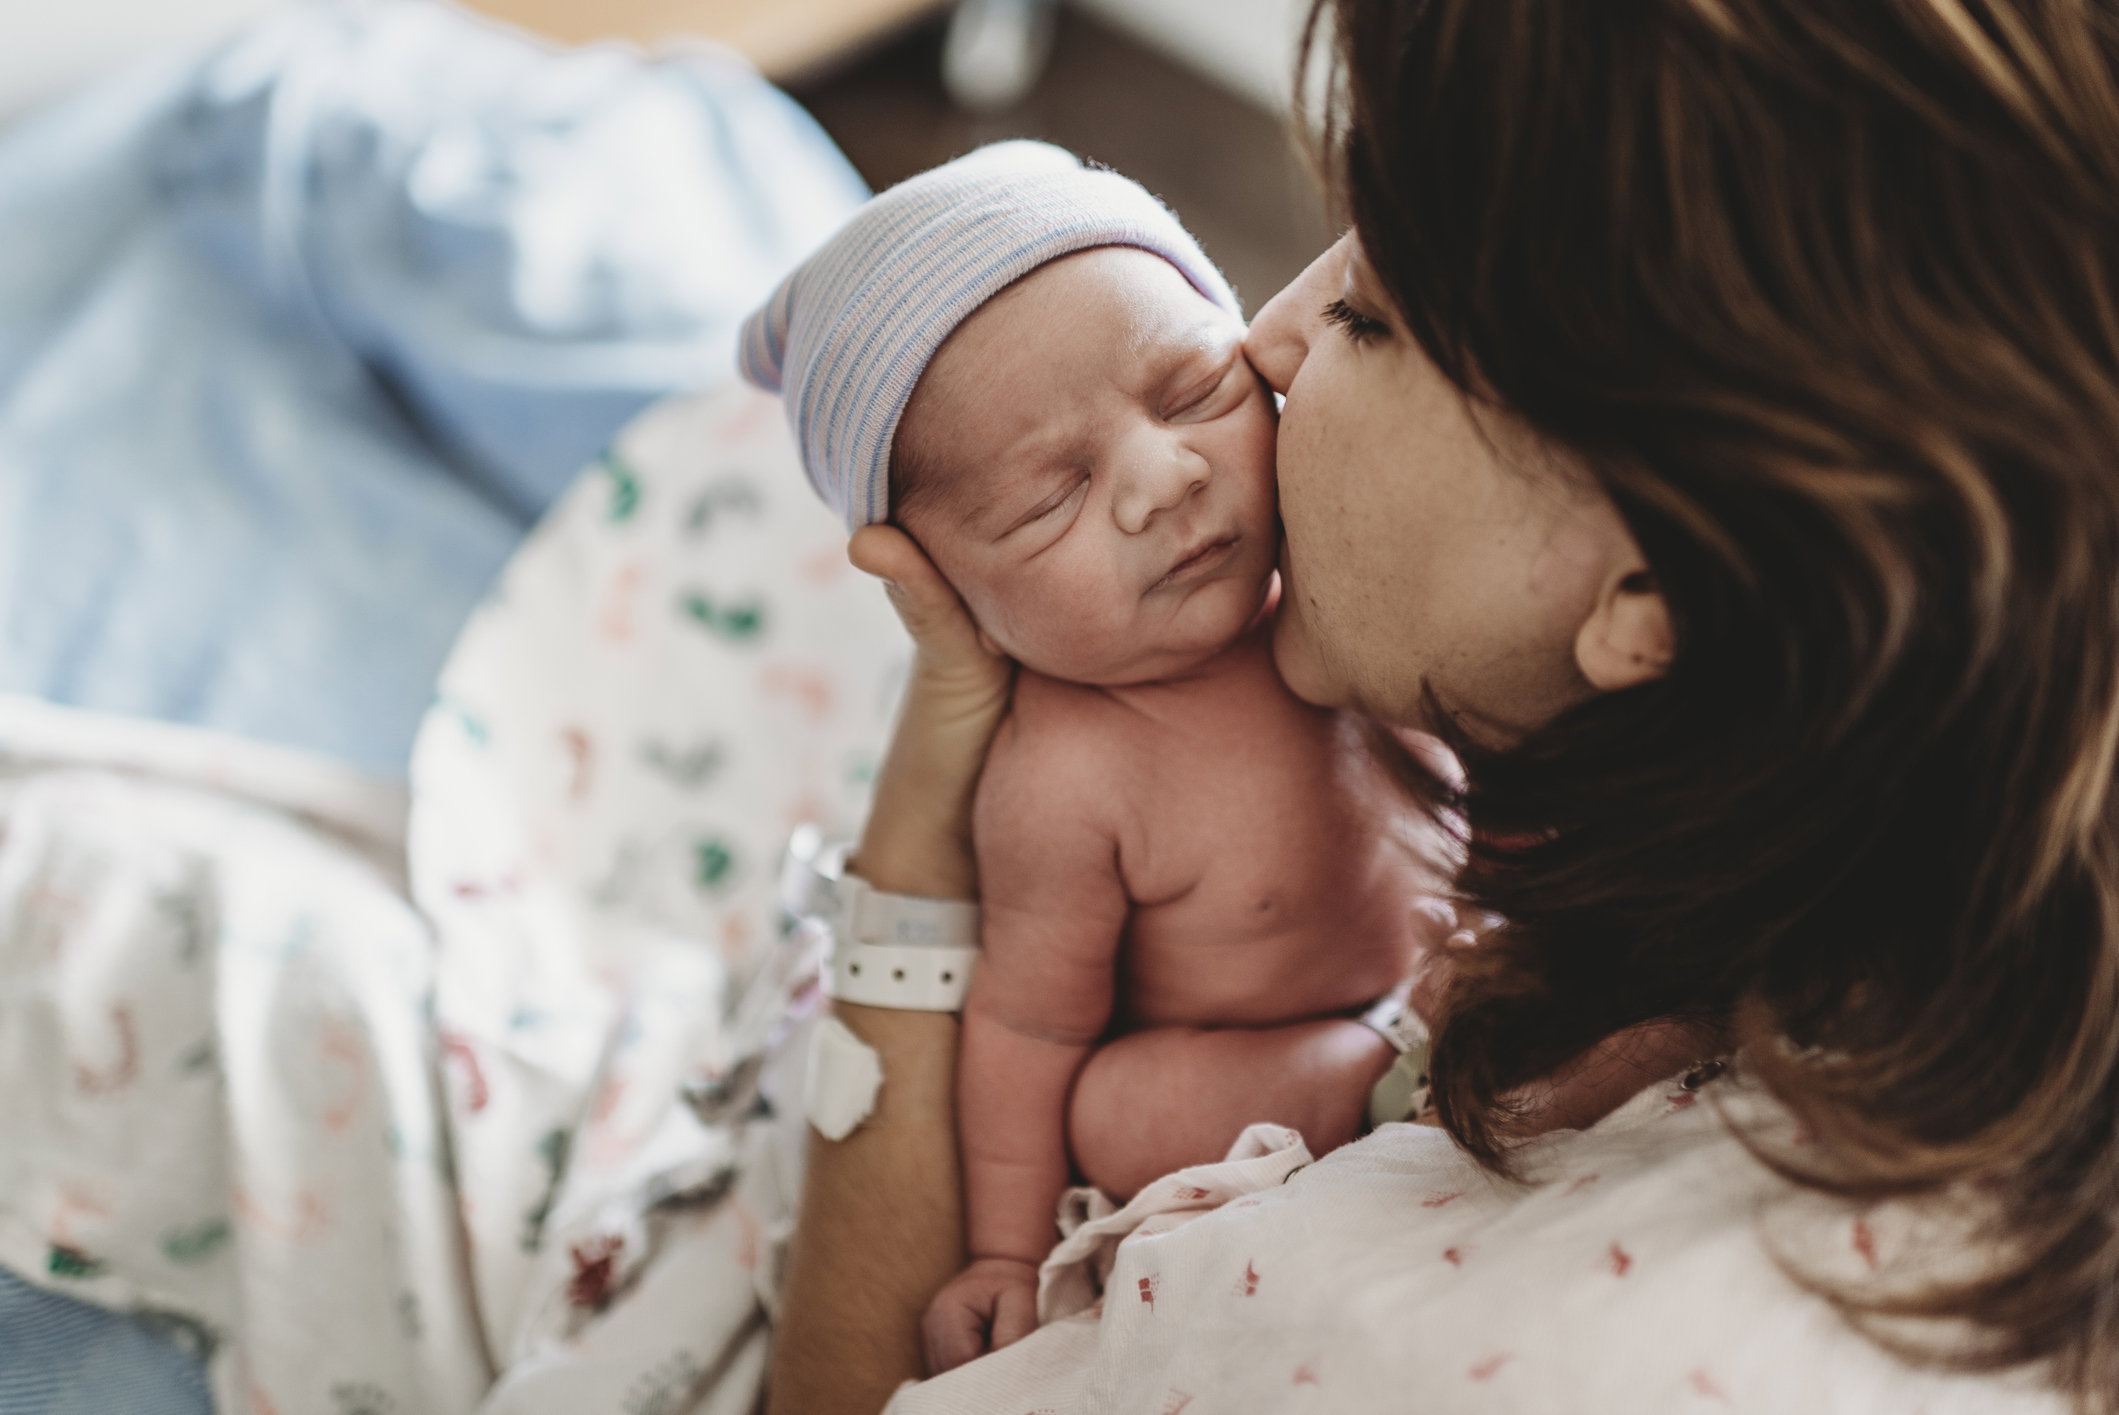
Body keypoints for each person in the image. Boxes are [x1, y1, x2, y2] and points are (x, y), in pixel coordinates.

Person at [768, 0, 2119, 1411]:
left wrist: (907, 868)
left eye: (1368, 313)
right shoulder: (1828, 808)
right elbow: (1040, 1025)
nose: (1265, 338)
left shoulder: (1433, 1327)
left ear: (1646, 592)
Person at [738, 141, 1439, 1376]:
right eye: (1045, 500)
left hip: (1433, 943)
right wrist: (1005, 1253)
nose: (1163, 482)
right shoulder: (1070, 772)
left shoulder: (1341, 551)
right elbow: (1021, 1028)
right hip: (1254, 1057)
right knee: (1117, 1106)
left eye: (1191, 394)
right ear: (941, 587)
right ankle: (1386, 1076)